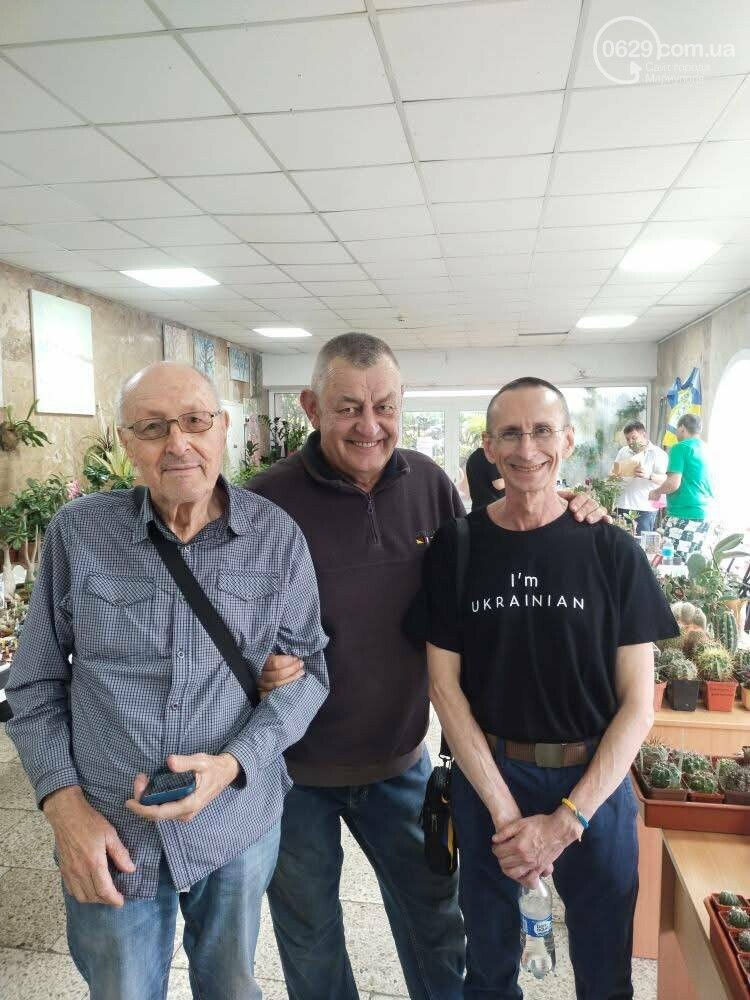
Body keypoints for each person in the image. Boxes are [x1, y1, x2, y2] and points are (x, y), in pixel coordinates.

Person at [250, 335, 608, 1000]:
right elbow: (220, 619)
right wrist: (255, 664)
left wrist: (567, 511)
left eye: (384, 406)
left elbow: (488, 563)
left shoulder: (429, 486)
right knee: (309, 939)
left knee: (436, 927)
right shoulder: (263, 500)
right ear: (310, 407)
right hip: (290, 773)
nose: (369, 425)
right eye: (347, 407)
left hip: (401, 764)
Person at [6, 362, 329, 1000]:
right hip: (109, 828)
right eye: (153, 427)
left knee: (231, 985)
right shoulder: (80, 534)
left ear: (222, 429)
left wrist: (234, 764)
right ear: (126, 442)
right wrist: (64, 809)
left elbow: (309, 674)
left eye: (194, 422)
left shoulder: (276, 537)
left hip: (233, 821)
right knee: (122, 990)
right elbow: (34, 684)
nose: (178, 443)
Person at [420, 376, 679, 999]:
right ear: (488, 447)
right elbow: (444, 690)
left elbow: (638, 706)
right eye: (510, 433)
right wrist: (506, 815)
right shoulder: (457, 547)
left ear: (567, 440)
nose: (526, 447)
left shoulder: (612, 551)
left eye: (542, 431)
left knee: (605, 972)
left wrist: (566, 821)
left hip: (594, 782)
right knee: (488, 968)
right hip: (490, 777)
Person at [649, 412, 715, 558]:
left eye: (676, 430)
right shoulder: (707, 449)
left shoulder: (681, 447)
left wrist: (656, 492)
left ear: (682, 428)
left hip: (684, 514)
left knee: (674, 562)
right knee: (691, 562)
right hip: (705, 515)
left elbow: (673, 483)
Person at [610, 420, 667, 534]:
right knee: (619, 542)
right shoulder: (623, 451)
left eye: (634, 438)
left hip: (644, 508)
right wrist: (615, 475)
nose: (630, 442)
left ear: (643, 435)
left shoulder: (658, 453)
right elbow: (612, 472)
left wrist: (648, 475)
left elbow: (666, 480)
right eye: (627, 439)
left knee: (640, 542)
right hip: (621, 505)